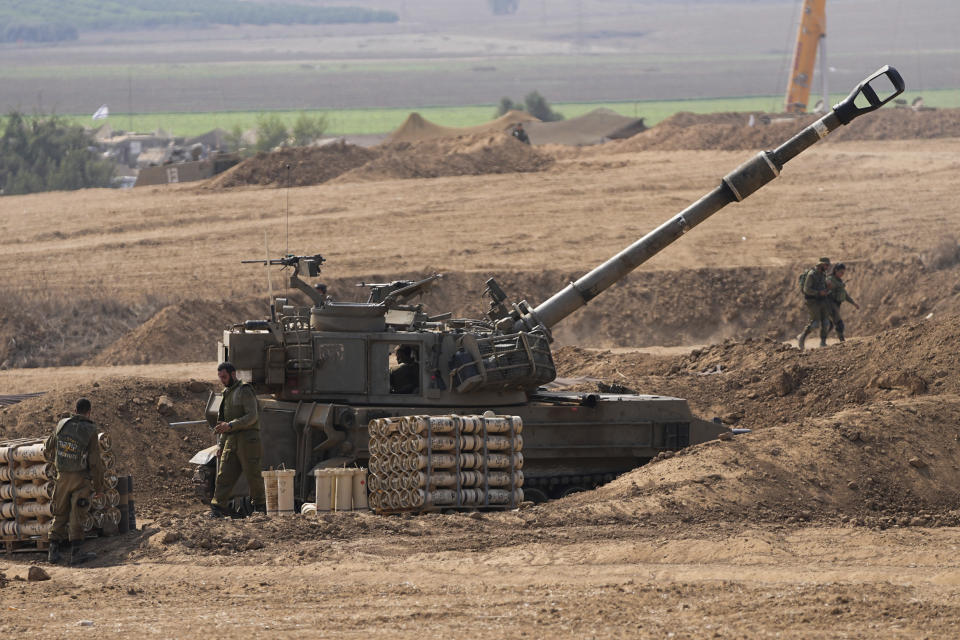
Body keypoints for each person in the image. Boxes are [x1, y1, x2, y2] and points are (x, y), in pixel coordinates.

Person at [46, 398, 106, 565]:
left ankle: (53, 552)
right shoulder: (90, 429)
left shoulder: (62, 424)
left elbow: (48, 445)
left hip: (62, 478)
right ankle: (76, 554)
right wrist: (99, 487)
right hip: (80, 480)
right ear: (89, 412)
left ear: (75, 409)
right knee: (77, 514)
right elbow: (94, 461)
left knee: (60, 513)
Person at [209, 362, 266, 518]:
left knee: (253, 475)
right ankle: (218, 507)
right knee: (224, 475)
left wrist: (231, 425)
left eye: (225, 377)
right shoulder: (226, 393)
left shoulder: (245, 390)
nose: (222, 380)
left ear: (233, 374)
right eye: (220, 377)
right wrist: (220, 444)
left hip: (248, 439)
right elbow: (222, 423)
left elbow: (252, 416)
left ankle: (260, 507)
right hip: (230, 440)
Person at [796, 257, 833, 351]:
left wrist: (828, 288)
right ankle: (802, 337)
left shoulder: (823, 274)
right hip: (812, 301)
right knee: (815, 323)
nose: (827, 267)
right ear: (821, 264)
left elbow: (823, 287)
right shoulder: (812, 274)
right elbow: (806, 289)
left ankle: (823, 342)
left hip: (822, 300)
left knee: (826, 322)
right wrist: (818, 293)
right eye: (826, 265)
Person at [825, 262, 861, 342]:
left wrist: (853, 303)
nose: (842, 274)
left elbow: (844, 294)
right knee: (839, 324)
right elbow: (829, 288)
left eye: (843, 273)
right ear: (836, 270)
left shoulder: (839, 281)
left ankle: (822, 339)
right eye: (841, 272)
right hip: (831, 304)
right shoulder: (830, 279)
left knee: (830, 325)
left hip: (836, 305)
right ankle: (842, 341)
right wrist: (838, 285)